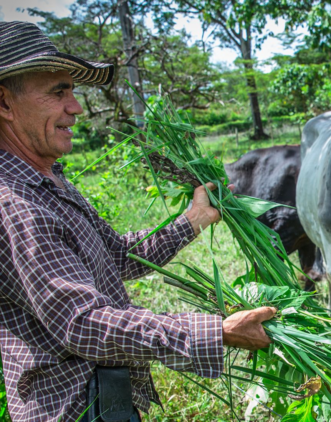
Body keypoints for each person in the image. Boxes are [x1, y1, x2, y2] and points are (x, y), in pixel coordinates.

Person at [0, 21, 276, 422]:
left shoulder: (48, 179)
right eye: (58, 92)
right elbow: (83, 323)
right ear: (5, 104)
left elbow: (115, 255)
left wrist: (194, 218)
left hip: (105, 401)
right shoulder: (16, 205)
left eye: (73, 91)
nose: (75, 106)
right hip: (74, 411)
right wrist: (217, 331)